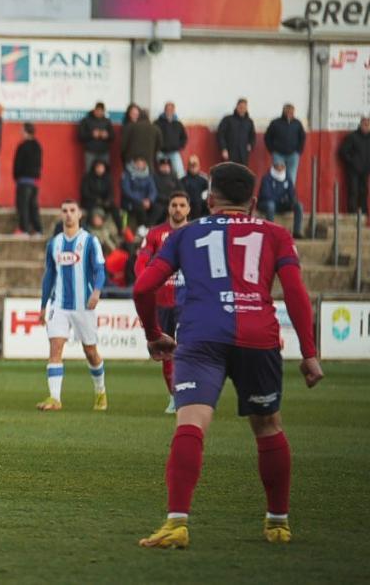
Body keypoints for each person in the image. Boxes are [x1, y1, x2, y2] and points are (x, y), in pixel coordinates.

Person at [133, 162, 322, 549]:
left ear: (209, 199)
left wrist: (153, 335)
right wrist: (309, 353)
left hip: (200, 336)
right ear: (253, 201)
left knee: (190, 424)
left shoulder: (185, 235)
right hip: (258, 336)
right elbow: (296, 293)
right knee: (268, 427)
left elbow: (142, 287)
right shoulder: (276, 234)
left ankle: (177, 523)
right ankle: (278, 523)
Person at [37, 199, 108, 412]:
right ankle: (55, 398)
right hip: (59, 305)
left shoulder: (90, 241)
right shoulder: (54, 243)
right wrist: (43, 306)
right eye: (65, 210)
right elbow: (49, 276)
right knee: (55, 348)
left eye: (72, 210)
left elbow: (100, 270)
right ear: (61, 215)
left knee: (90, 352)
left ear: (79, 214)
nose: (68, 214)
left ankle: (100, 391)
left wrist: (97, 291)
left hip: (83, 306)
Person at [135, 191, 191, 415]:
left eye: (182, 205)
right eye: (174, 205)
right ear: (168, 208)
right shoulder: (155, 234)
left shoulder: (195, 232)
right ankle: (174, 397)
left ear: (189, 209)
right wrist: (145, 284)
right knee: (167, 351)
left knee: (188, 349)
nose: (178, 209)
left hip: (189, 301)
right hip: (163, 301)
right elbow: (141, 262)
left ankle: (190, 394)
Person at [258, 160, 304, 239]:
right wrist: (281, 199)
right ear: (274, 167)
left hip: (282, 203)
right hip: (267, 203)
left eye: (282, 166)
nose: (280, 168)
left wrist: (292, 200)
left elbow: (292, 193)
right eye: (278, 166)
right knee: (271, 205)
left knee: (298, 205)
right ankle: (271, 232)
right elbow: (265, 195)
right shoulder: (267, 177)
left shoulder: (287, 177)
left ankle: (297, 231)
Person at [264, 103, 306, 188]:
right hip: (278, 155)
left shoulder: (297, 123)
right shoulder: (275, 123)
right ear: (283, 111)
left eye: (292, 111)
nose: (290, 113)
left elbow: (302, 137)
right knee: (278, 177)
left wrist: (298, 151)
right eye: (288, 111)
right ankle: (278, 194)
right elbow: (267, 137)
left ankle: (289, 195)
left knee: (291, 178)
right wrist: (272, 150)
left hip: (293, 155)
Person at [13, 122, 42, 236]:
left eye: (22, 130)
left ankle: (24, 230)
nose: (20, 132)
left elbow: (17, 164)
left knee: (23, 206)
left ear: (26, 131)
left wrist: (16, 176)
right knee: (33, 206)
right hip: (34, 182)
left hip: (23, 181)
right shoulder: (38, 146)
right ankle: (37, 229)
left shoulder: (22, 146)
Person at [338, 117, 370, 218]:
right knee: (353, 191)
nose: (366, 127)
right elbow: (343, 152)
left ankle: (364, 213)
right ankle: (352, 213)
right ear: (360, 125)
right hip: (353, 170)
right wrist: (352, 162)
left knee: (364, 192)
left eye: (368, 125)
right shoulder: (352, 136)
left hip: (365, 170)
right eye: (365, 124)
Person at [80, 159, 120, 229]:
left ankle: (120, 229)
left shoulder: (108, 178)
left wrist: (108, 200)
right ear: (94, 168)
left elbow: (111, 192)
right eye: (98, 167)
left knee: (115, 209)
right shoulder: (87, 177)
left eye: (102, 167)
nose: (100, 169)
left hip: (104, 202)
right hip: (91, 201)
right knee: (91, 212)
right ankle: (87, 229)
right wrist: (96, 199)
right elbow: (85, 192)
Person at [122, 157, 159, 229]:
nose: (140, 165)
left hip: (146, 201)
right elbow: (126, 191)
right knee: (140, 208)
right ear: (134, 164)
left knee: (158, 207)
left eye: (142, 164)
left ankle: (149, 226)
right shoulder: (127, 174)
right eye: (138, 163)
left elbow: (153, 190)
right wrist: (141, 200)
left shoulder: (148, 175)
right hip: (132, 201)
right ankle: (143, 227)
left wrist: (149, 200)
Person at [217, 98, 255, 165]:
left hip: (243, 155)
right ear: (236, 107)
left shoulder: (249, 122)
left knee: (242, 171)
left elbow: (252, 136)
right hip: (230, 154)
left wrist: (250, 145)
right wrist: (224, 148)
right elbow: (220, 134)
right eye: (240, 107)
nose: (242, 109)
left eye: (244, 107)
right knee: (229, 170)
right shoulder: (228, 120)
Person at [156, 101, 189, 179]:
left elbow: (184, 137)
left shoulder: (178, 124)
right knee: (160, 172)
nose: (169, 111)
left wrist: (179, 146)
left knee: (180, 173)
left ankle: (180, 186)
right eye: (167, 109)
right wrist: (158, 147)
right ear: (164, 110)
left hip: (174, 152)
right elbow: (154, 137)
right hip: (161, 152)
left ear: (174, 111)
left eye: (171, 109)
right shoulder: (157, 123)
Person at [78, 102, 114, 171]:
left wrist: (107, 135)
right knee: (89, 171)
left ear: (104, 111)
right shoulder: (86, 120)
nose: (99, 112)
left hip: (104, 152)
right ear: (94, 110)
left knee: (105, 171)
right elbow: (80, 135)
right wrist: (91, 134)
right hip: (90, 152)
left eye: (101, 111)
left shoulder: (107, 121)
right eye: (98, 110)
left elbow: (113, 136)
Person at [180, 155, 210, 220]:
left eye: (195, 166)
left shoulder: (204, 179)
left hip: (201, 207)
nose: (193, 168)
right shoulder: (183, 180)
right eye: (191, 166)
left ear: (199, 166)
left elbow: (209, 192)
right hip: (187, 206)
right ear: (188, 166)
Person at [152, 158, 181, 224]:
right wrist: (167, 199)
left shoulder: (174, 177)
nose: (165, 167)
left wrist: (176, 198)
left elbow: (181, 190)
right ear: (159, 167)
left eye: (167, 166)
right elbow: (154, 192)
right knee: (158, 210)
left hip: (173, 202)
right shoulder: (154, 177)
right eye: (163, 166)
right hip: (160, 202)